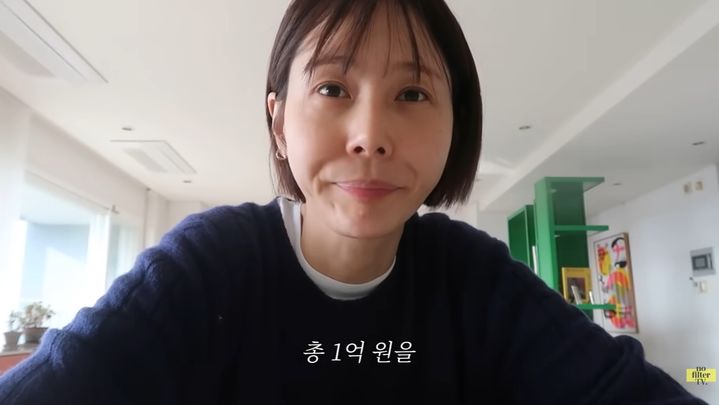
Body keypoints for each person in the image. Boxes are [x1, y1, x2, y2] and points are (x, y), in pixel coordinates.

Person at [0, 0, 706, 404]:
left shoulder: (475, 282)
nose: (370, 135)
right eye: (333, 88)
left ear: (455, 123)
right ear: (279, 120)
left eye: (412, 93)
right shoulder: (204, 270)